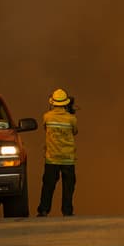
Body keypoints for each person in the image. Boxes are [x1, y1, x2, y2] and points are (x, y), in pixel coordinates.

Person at [36, 87, 78, 217]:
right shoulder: (71, 119)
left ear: (52, 103)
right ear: (66, 103)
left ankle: (44, 210)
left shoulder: (47, 117)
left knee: (48, 185)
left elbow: (45, 128)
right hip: (67, 158)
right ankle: (67, 211)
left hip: (52, 158)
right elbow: (75, 131)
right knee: (68, 187)